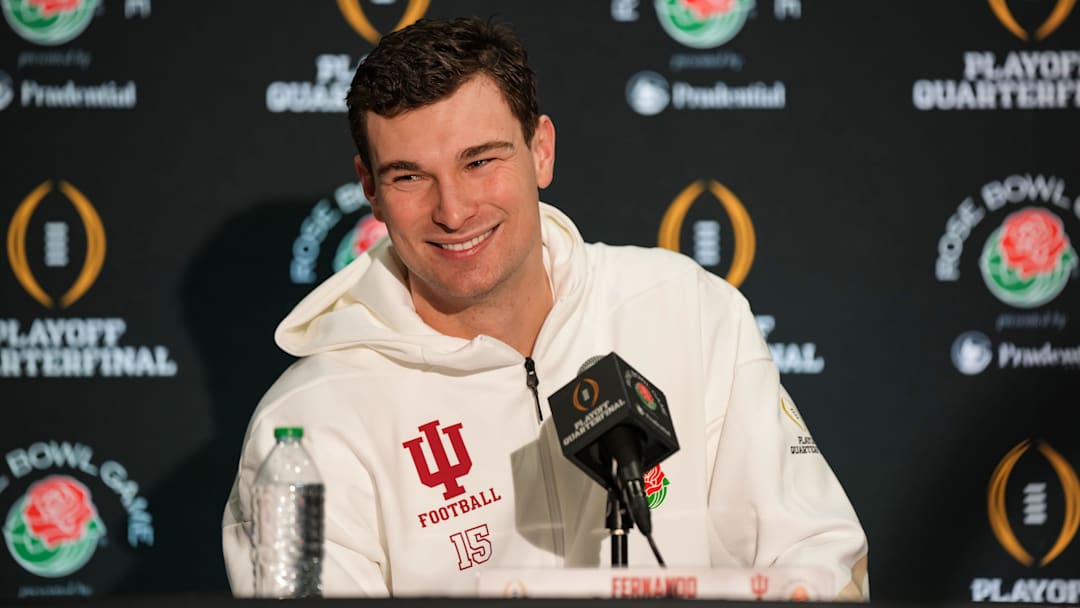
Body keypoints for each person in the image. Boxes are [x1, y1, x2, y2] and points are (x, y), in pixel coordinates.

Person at [222, 17, 869, 599]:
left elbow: (818, 564)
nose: (453, 210)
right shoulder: (312, 422)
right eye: (410, 176)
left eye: (480, 161)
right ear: (370, 188)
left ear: (541, 150)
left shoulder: (688, 309)